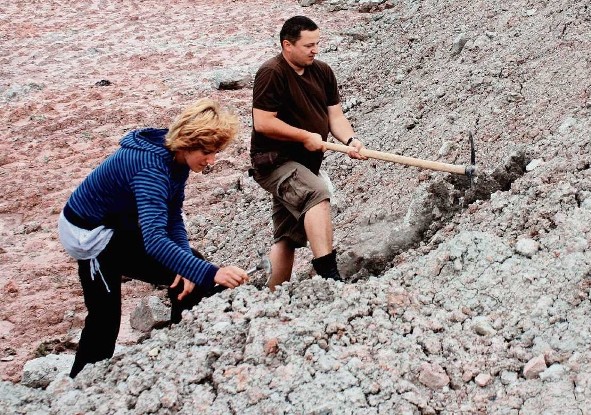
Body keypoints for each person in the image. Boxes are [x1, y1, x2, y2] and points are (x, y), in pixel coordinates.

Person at [58, 98, 249, 378]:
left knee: (188, 270)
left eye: (216, 152)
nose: (211, 161)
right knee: (104, 320)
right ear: (186, 142)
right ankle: (77, 388)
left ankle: (180, 350)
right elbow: (155, 241)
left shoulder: (176, 159)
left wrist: (187, 265)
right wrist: (213, 273)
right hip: (90, 235)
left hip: (121, 221)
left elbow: (173, 216)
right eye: (207, 152)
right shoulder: (151, 169)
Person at [249, 15, 367, 291]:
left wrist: (351, 140)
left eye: (317, 43)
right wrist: (304, 136)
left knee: (288, 236)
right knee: (317, 194)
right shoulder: (272, 72)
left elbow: (335, 118)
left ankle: (271, 295)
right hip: (274, 161)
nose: (315, 50)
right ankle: (328, 275)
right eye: (308, 45)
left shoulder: (323, 72)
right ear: (287, 45)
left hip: (305, 164)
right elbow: (263, 122)